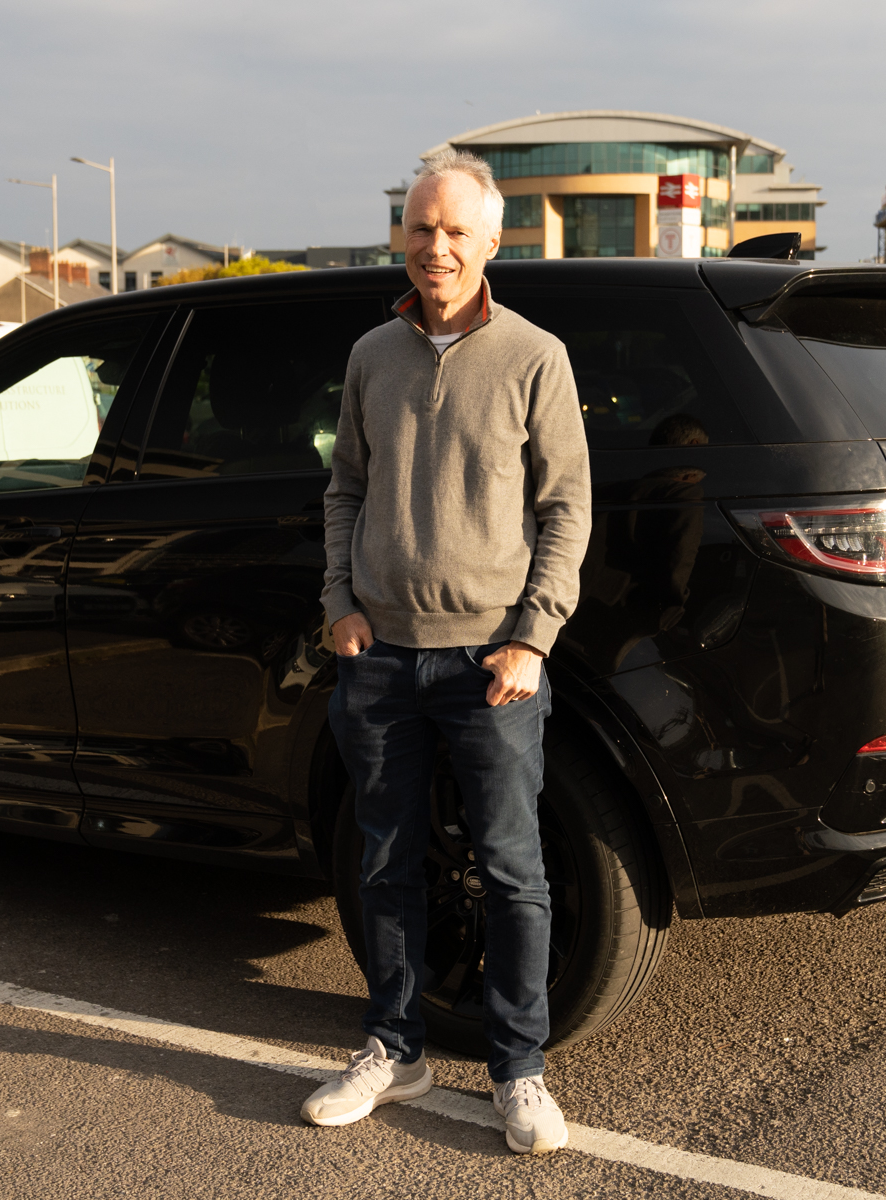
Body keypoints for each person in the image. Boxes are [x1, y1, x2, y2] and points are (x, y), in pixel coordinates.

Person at [299, 149, 591, 1155]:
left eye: (457, 231)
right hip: (379, 661)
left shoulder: (535, 357)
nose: (437, 247)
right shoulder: (372, 358)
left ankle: (519, 1070)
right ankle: (394, 1048)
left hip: (490, 671)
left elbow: (566, 508)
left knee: (513, 872)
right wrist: (340, 602)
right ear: (404, 237)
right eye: (422, 228)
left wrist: (532, 639)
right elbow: (345, 492)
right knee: (384, 865)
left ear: (492, 241)